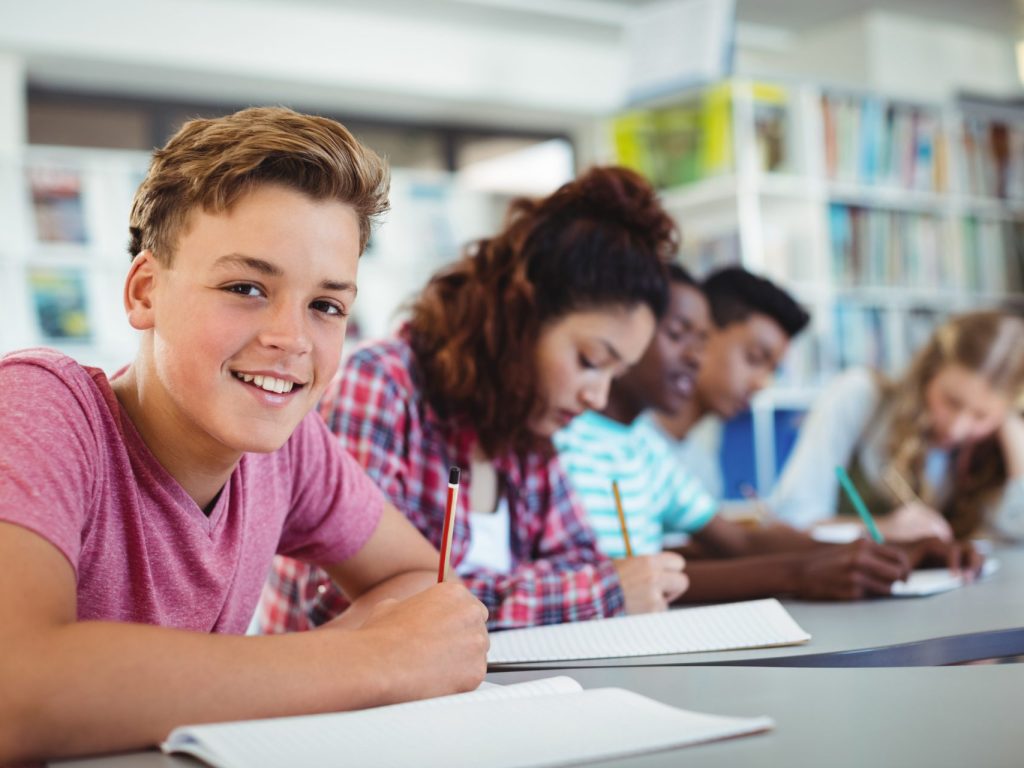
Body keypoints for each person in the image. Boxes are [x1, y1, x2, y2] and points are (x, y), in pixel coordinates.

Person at [0, 107, 490, 764]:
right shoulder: (41, 407)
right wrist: (369, 658)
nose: (290, 338)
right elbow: (17, 690)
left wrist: (386, 649)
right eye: (246, 286)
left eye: (326, 306)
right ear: (145, 290)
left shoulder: (291, 449)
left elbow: (419, 582)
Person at [258, 166, 690, 633]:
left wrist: (476, 589)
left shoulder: (527, 427)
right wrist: (594, 593)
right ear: (522, 315)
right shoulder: (383, 383)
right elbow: (341, 602)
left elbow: (581, 560)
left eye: (615, 375)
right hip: (344, 703)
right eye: (589, 360)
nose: (597, 395)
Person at [555, 266, 981, 603]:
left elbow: (738, 541)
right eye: (677, 335)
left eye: (701, 341)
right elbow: (614, 579)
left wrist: (902, 554)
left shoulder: (642, 448)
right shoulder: (564, 438)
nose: (693, 357)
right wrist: (800, 573)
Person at [771, 311, 1024, 542]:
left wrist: (1012, 427)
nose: (957, 428)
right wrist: (881, 528)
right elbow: (788, 522)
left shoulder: (988, 451)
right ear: (928, 373)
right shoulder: (860, 397)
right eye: (951, 401)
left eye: (981, 415)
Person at [650, 266, 811, 501]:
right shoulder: (629, 443)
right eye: (754, 358)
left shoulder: (703, 466)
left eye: (773, 370)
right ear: (703, 333)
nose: (761, 383)